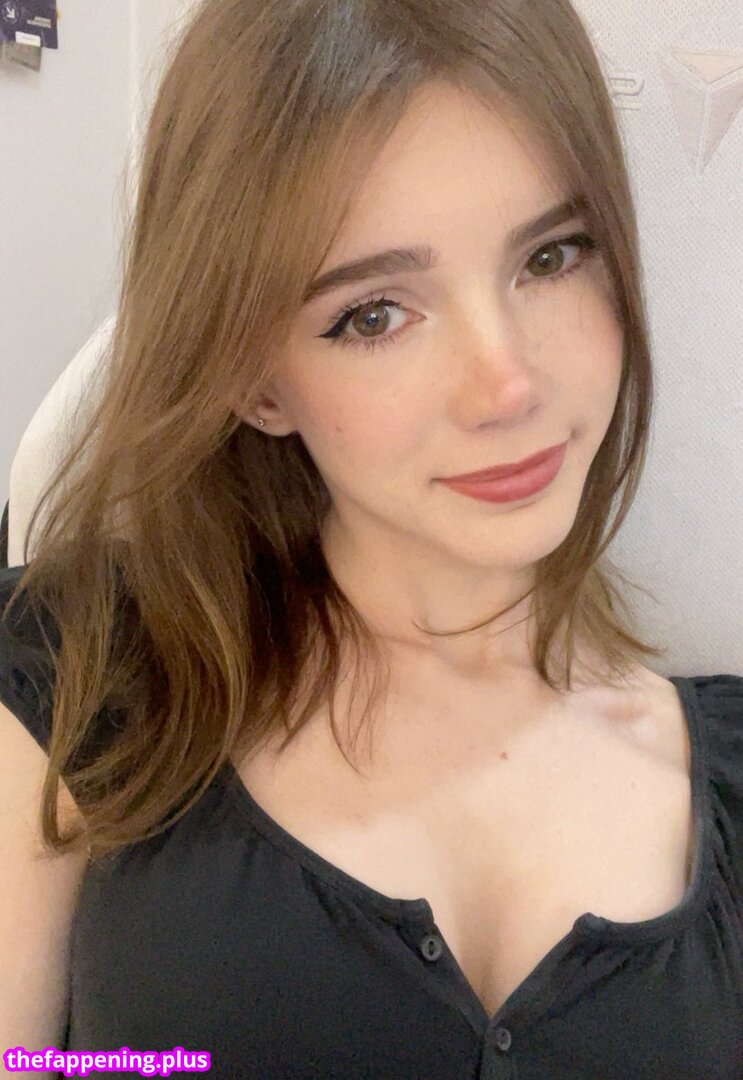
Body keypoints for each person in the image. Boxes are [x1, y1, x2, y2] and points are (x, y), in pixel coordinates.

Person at [1, 0, 742, 1076]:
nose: (506, 385)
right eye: (374, 314)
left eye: (550, 256)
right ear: (255, 380)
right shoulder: (74, 668)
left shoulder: (719, 778)